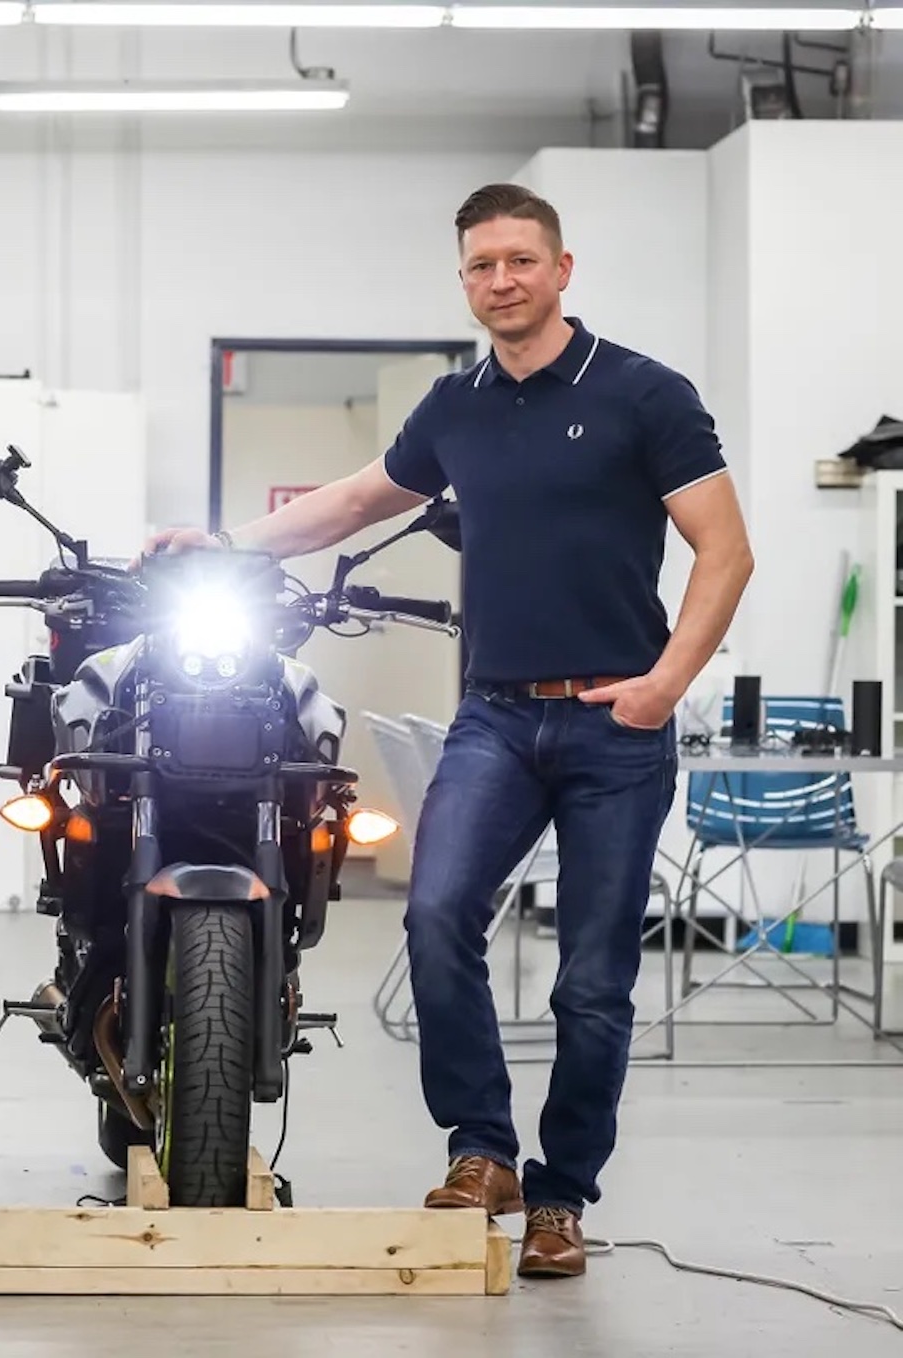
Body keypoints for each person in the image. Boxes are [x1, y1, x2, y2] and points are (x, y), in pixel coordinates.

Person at [147, 183, 753, 1278]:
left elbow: (724, 549)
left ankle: (561, 1195)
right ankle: (482, 1149)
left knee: (589, 976)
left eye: (520, 260)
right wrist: (222, 542)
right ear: (464, 279)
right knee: (432, 918)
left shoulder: (641, 392)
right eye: (480, 266)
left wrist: (664, 683)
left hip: (616, 723)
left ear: (561, 269)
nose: (500, 281)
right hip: (494, 715)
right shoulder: (455, 403)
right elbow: (353, 500)